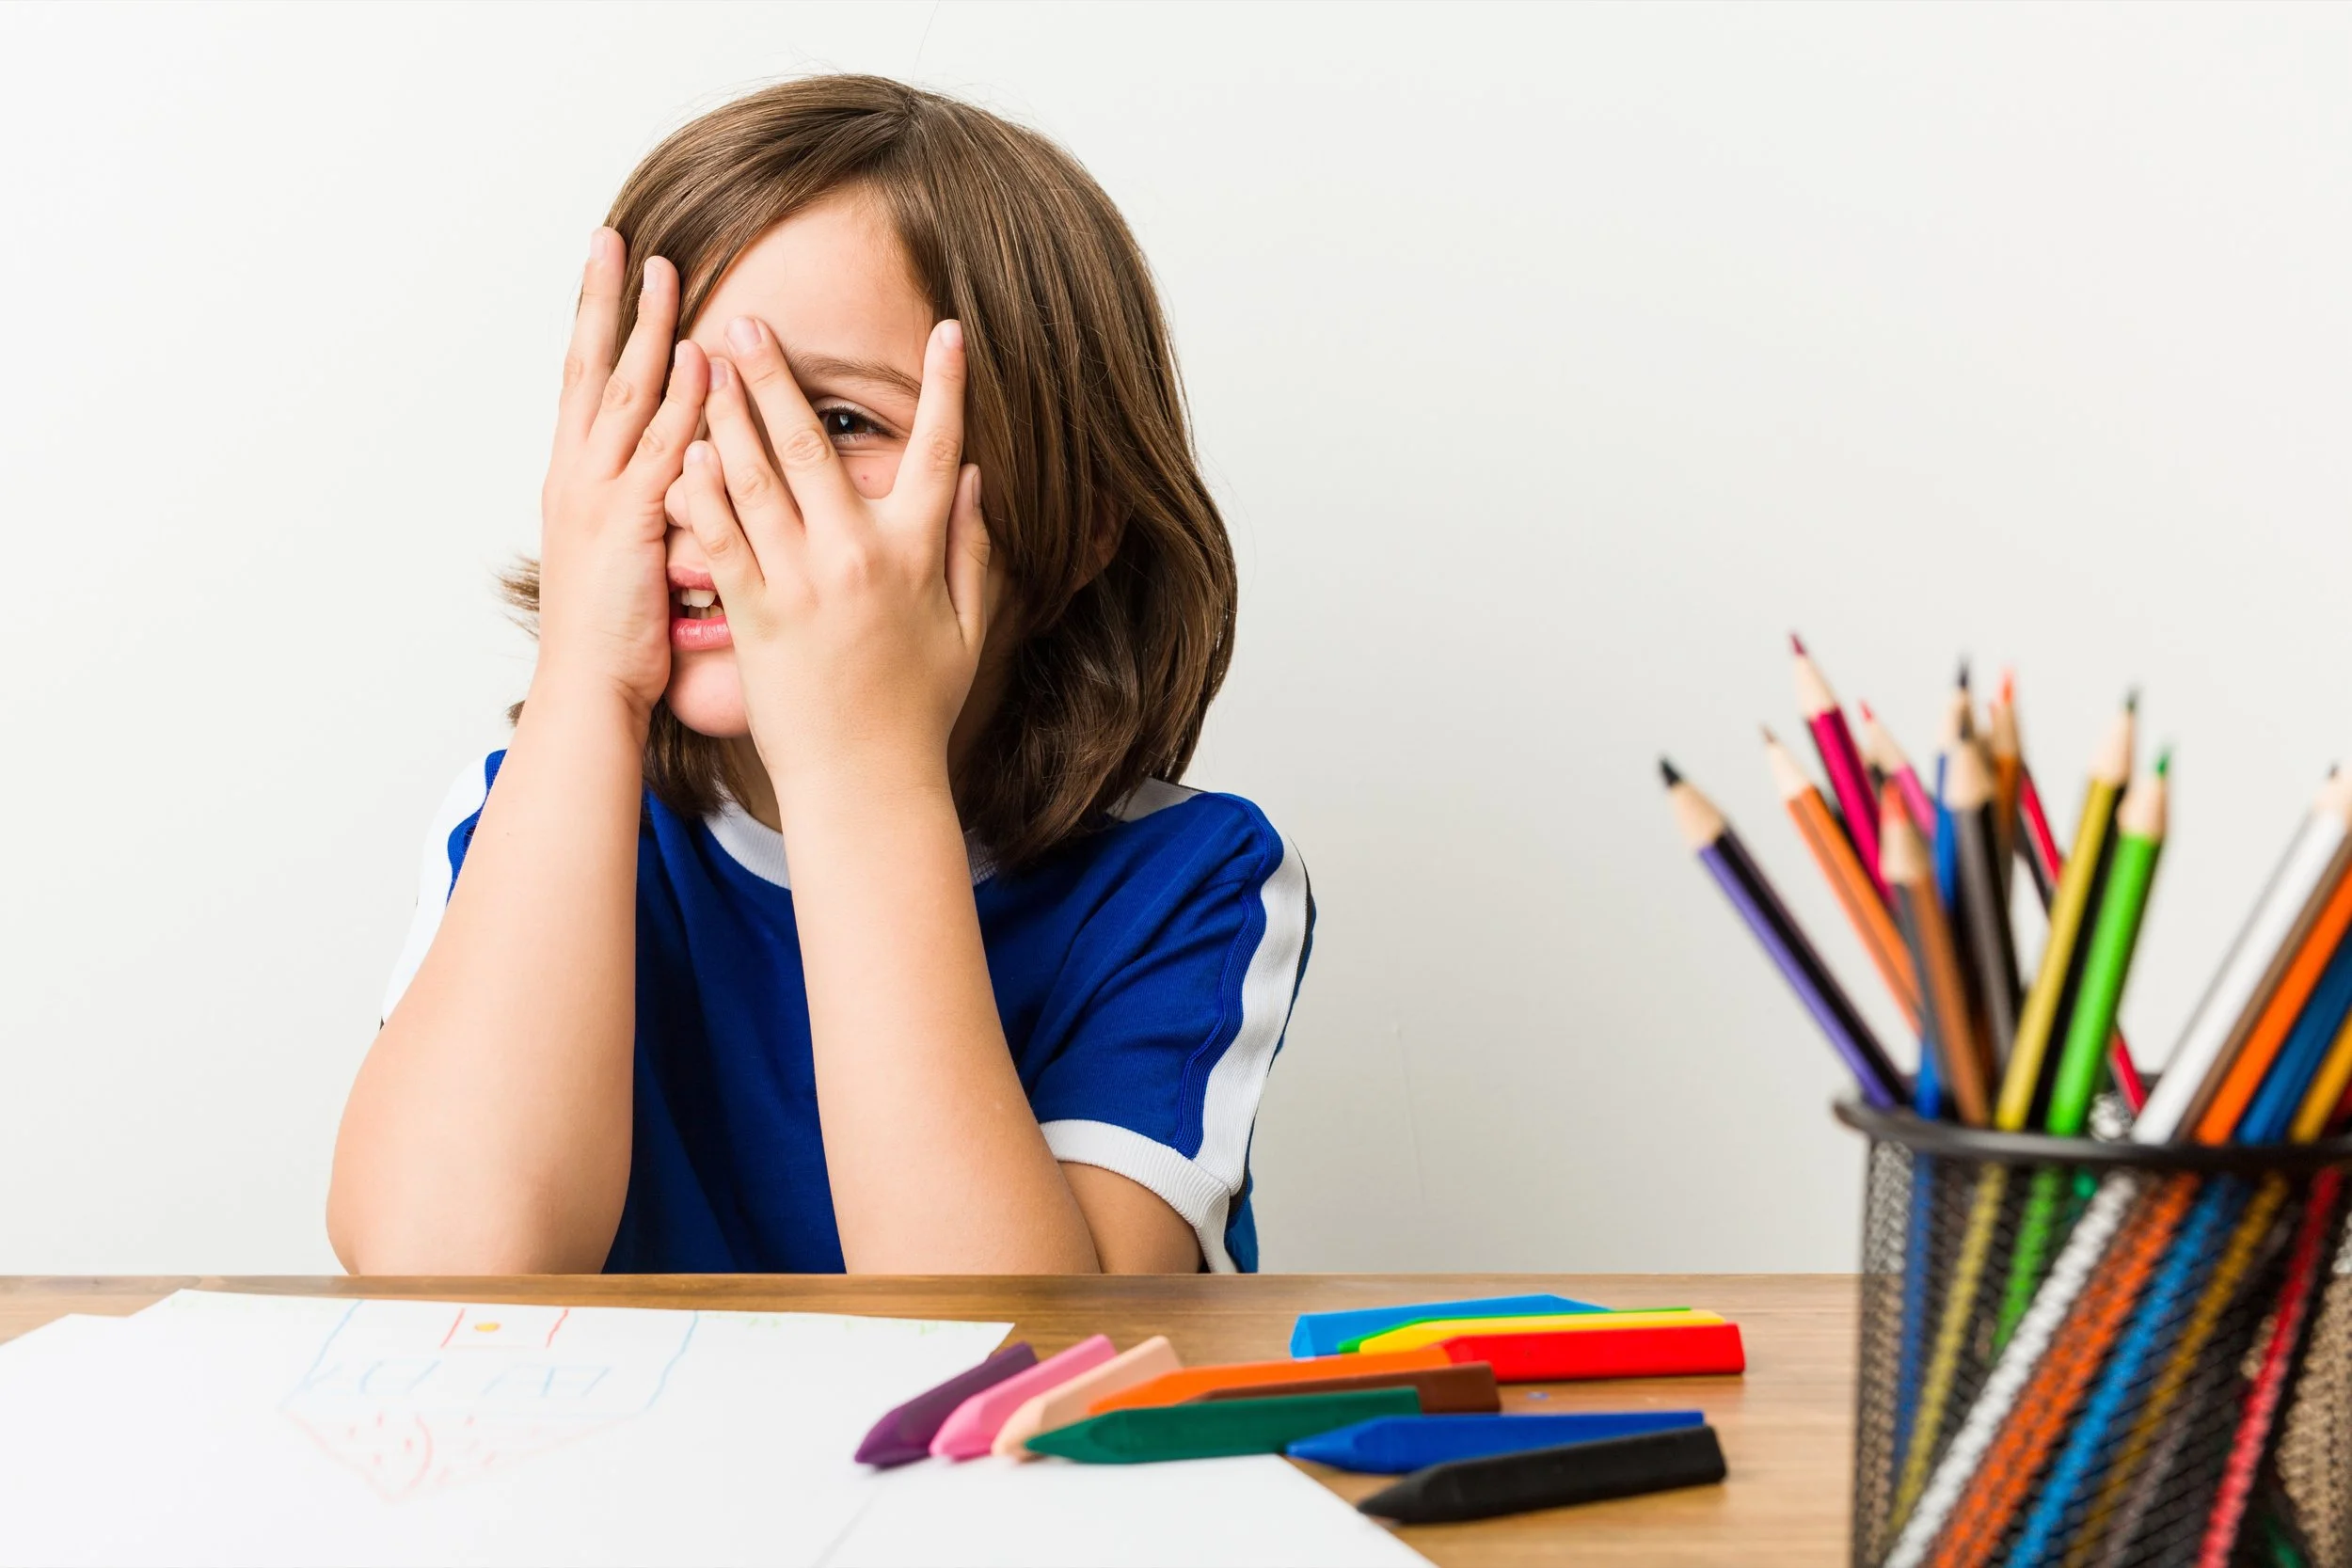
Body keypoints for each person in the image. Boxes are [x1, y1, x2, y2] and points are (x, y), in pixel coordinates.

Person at [327, 75, 1311, 1278]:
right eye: (665, 414)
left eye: (836, 422)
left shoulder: (1189, 883)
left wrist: (857, 760)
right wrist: (586, 674)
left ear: (1077, 520)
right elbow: (443, 1272)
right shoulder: (534, 816)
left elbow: (1019, 1345)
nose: (715, 487)